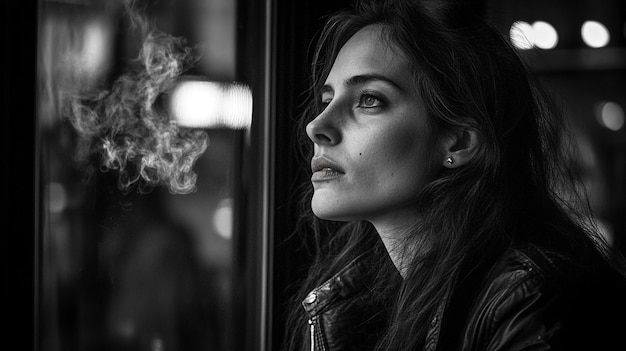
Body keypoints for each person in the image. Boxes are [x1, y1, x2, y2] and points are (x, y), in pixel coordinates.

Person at [282, 0, 626, 350]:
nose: (317, 126)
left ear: (459, 142)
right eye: (327, 99)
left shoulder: (532, 300)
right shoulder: (362, 305)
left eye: (369, 99)